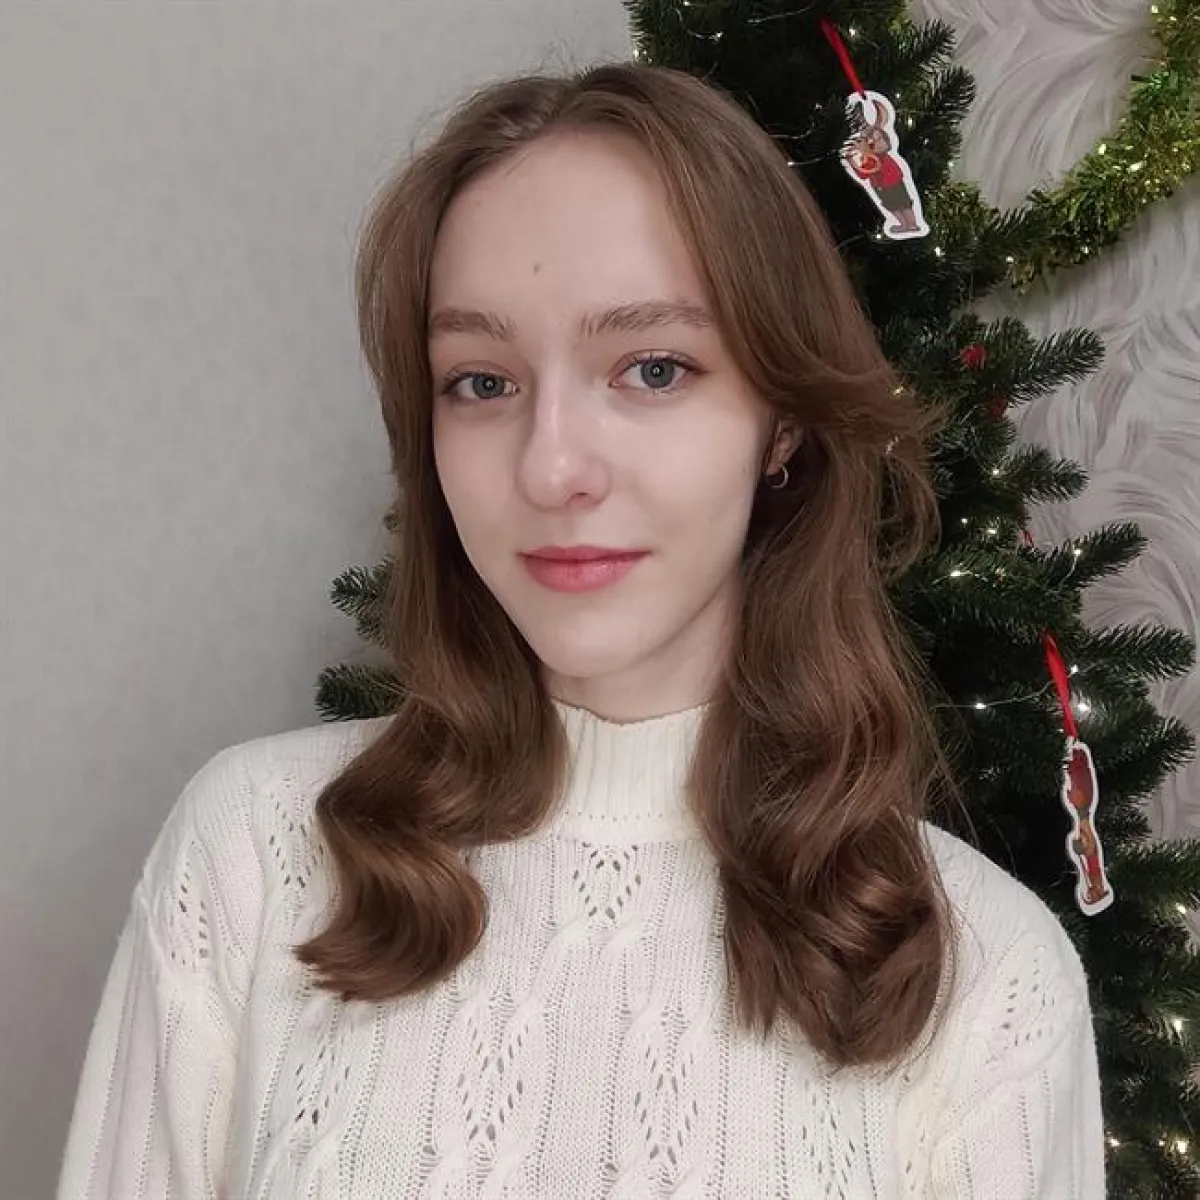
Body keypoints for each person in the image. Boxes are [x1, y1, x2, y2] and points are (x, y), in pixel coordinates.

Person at [57, 61, 1106, 1198]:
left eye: (653, 369)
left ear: (781, 425)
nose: (552, 468)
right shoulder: (251, 856)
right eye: (481, 382)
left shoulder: (991, 982)